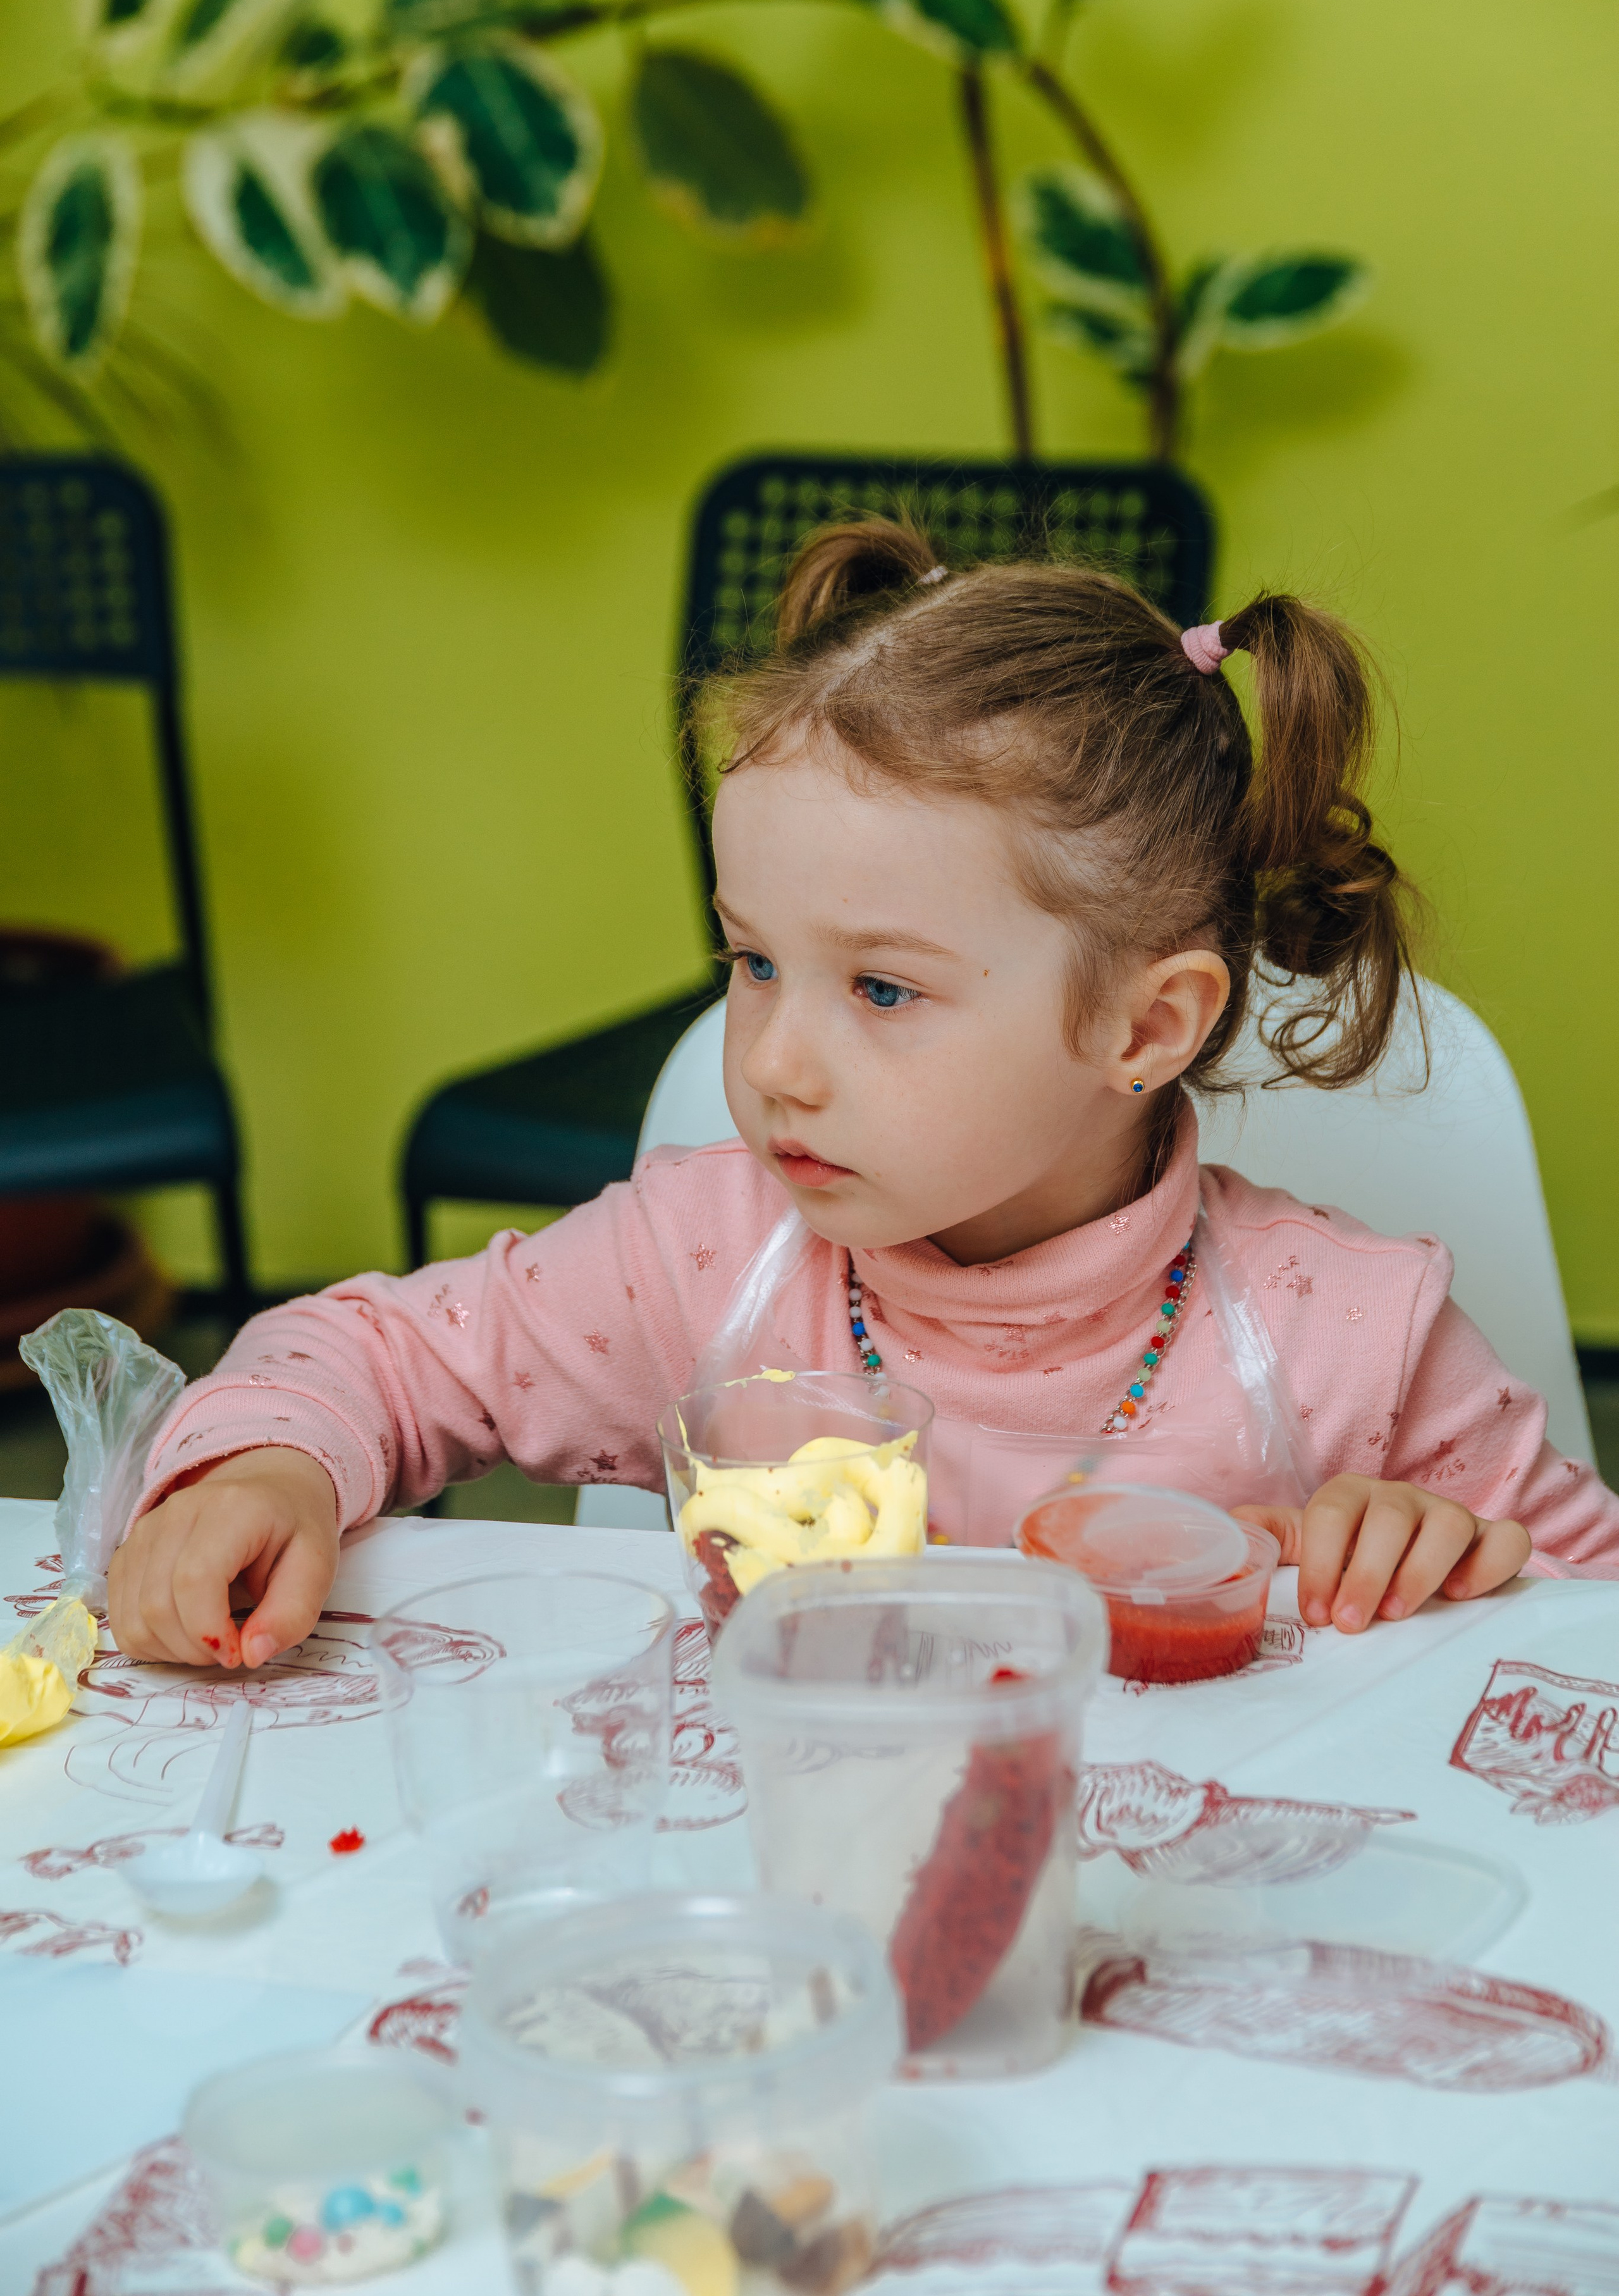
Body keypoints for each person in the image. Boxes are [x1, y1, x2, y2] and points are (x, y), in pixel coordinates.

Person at [108, 522, 1619, 1669]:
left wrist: (1460, 1559)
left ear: (1145, 1024)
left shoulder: (1341, 1337)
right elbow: (367, 1353)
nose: (767, 1060)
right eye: (752, 962)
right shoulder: (700, 1266)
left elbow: (1584, 1623)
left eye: (881, 989)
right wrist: (270, 1469)